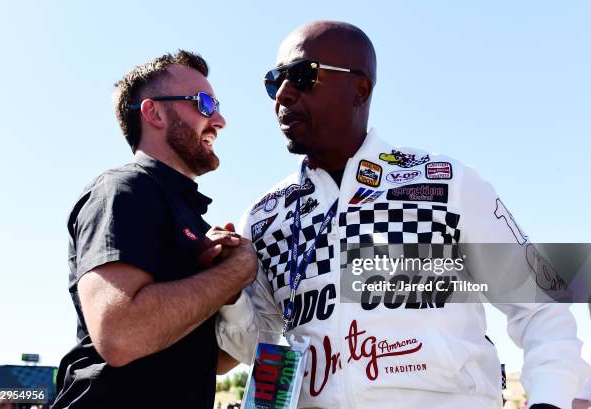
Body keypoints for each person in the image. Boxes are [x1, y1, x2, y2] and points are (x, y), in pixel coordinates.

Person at [216, 21, 588, 409]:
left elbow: (541, 304)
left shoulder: (446, 182)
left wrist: (549, 400)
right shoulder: (265, 216)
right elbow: (249, 346)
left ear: (360, 88)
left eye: (302, 76)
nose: (283, 94)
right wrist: (226, 284)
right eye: (274, 81)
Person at [53, 50, 257, 409]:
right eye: (205, 104)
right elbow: (119, 335)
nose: (220, 120)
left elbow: (218, 362)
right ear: (154, 112)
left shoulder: (194, 221)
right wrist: (234, 272)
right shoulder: (123, 190)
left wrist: (228, 292)